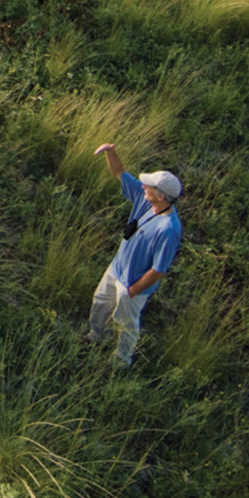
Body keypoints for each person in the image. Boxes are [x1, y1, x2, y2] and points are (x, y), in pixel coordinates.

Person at [86, 143, 182, 366]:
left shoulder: (168, 229)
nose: (143, 186)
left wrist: (132, 290)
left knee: (126, 323)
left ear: (160, 196)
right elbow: (119, 173)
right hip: (116, 269)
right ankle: (96, 336)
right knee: (100, 303)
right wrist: (110, 152)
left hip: (133, 283)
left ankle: (121, 361)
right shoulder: (145, 198)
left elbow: (158, 270)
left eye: (149, 186)